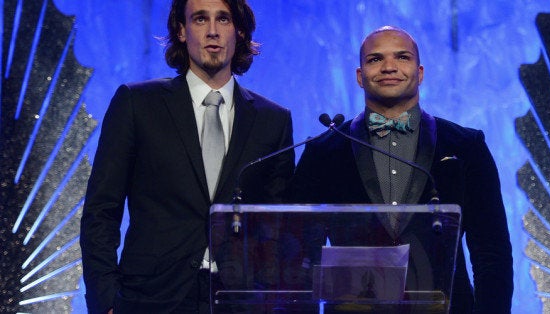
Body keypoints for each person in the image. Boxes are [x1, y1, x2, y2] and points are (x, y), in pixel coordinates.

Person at [80, 0, 294, 313]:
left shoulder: (273, 120)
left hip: (239, 298)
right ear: (181, 30)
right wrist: (105, 300)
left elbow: (279, 224)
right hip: (151, 297)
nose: (212, 31)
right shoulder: (137, 103)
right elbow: (101, 209)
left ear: (240, 32)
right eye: (199, 19)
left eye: (223, 19)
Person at [290, 26, 513, 313]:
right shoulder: (324, 151)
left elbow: (491, 252)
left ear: (420, 73)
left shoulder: (466, 147)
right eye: (375, 59)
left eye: (402, 57)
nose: (389, 67)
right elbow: (297, 256)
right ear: (360, 76)